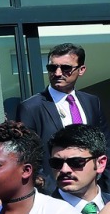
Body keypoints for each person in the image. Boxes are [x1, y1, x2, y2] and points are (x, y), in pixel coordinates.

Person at [15, 43, 109, 192]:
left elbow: (105, 145)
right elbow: (27, 154)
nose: (58, 73)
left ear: (81, 70)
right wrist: (49, 189)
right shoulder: (31, 107)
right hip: (55, 193)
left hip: (95, 191)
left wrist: (105, 187)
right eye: (52, 68)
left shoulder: (92, 102)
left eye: (66, 68)